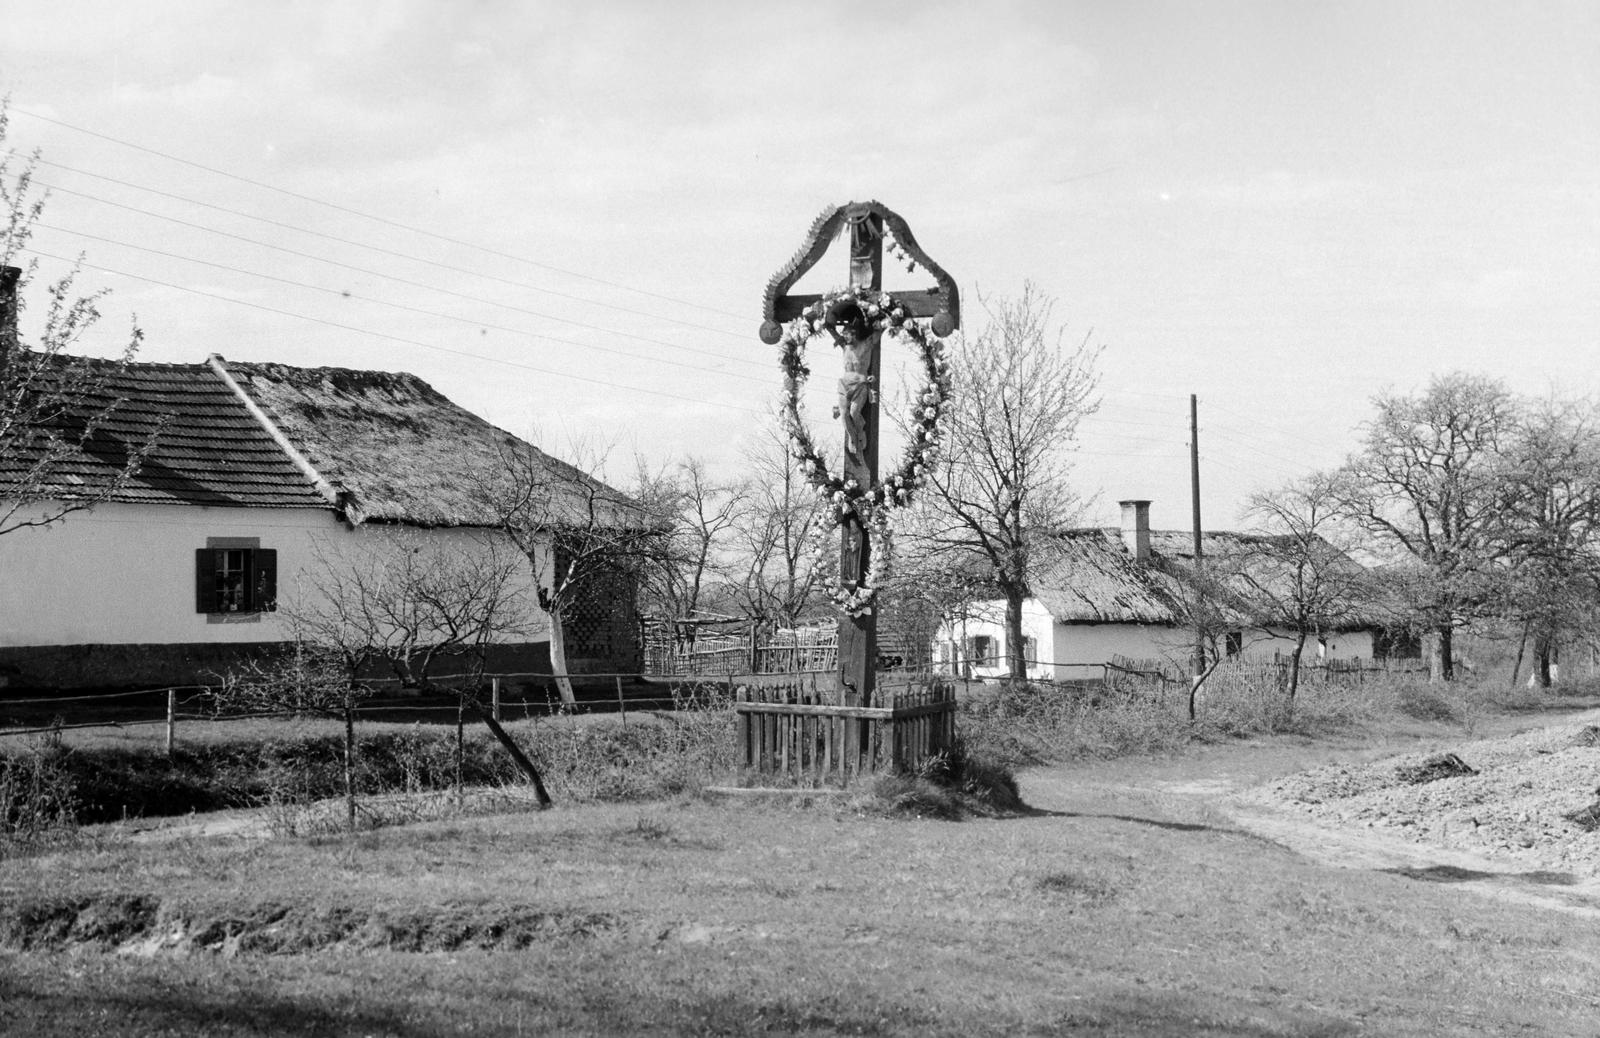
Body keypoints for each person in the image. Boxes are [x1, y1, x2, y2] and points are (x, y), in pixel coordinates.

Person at [826, 299, 877, 467]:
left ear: (854, 334)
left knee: (854, 413)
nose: (844, 336)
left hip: (860, 384)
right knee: (844, 414)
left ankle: (859, 433)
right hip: (844, 385)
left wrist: (888, 315)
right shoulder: (845, 347)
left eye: (847, 334)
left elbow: (878, 331)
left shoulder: (866, 345)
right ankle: (853, 440)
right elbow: (831, 330)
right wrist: (827, 318)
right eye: (844, 334)